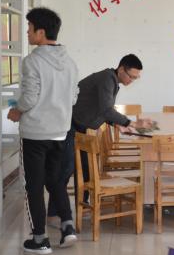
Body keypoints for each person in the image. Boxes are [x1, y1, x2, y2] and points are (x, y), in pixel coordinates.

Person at [8, 7, 79, 254]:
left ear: (40, 32)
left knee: (34, 186)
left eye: (29, 28)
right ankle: (68, 227)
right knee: (56, 180)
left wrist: (17, 111)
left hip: (36, 133)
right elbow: (73, 97)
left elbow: (29, 97)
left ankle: (39, 240)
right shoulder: (70, 63)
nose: (27, 33)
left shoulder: (32, 61)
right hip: (60, 131)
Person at [47, 54, 152, 217]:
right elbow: (106, 110)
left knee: (85, 169)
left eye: (135, 78)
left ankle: (83, 206)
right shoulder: (107, 79)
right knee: (66, 168)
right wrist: (131, 123)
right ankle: (54, 212)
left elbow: (100, 108)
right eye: (131, 76)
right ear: (121, 69)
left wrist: (116, 124)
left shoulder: (112, 80)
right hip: (67, 124)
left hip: (79, 125)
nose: (132, 80)